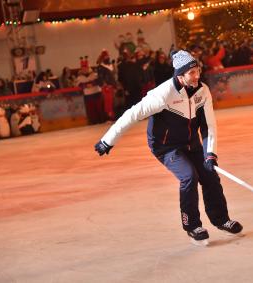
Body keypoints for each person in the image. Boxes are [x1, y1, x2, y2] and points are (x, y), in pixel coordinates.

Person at [94, 50, 243, 245]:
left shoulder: (202, 91)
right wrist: (108, 140)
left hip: (192, 144)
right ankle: (192, 226)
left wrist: (210, 154)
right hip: (166, 147)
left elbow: (208, 125)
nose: (197, 76)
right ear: (180, 75)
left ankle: (221, 219)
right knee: (189, 176)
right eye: (192, 73)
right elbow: (132, 114)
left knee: (209, 175)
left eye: (198, 70)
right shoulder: (163, 94)